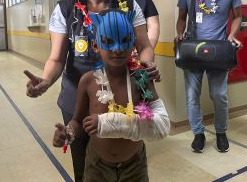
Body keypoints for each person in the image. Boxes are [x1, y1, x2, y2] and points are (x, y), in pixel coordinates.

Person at [24, 0, 159, 182]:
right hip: (78, 101)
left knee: (128, 154)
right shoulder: (65, 10)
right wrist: (45, 81)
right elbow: (57, 58)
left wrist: (146, 65)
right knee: (83, 167)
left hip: (123, 97)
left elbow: (145, 46)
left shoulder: (129, 7)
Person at [52, 9, 170, 182]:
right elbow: (77, 120)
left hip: (135, 165)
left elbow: (161, 124)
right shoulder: (88, 82)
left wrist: (115, 123)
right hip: (97, 165)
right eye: (108, 41)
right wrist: (68, 132)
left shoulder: (141, 78)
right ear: (95, 45)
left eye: (125, 41)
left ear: (133, 44)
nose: (117, 49)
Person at [174, 0, 242, 153]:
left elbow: (238, 16)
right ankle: (198, 133)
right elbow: (181, 19)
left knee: (219, 95)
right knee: (191, 95)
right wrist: (179, 33)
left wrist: (232, 35)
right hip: (192, 51)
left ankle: (221, 132)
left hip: (218, 51)